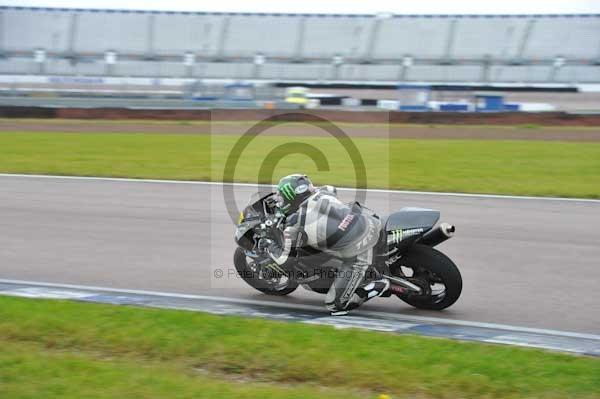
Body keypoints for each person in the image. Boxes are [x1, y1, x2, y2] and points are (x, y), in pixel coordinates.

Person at [259, 174, 390, 315]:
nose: (280, 200)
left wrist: (268, 245)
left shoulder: (293, 226)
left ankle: (378, 285)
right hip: (369, 221)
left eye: (282, 197)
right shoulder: (323, 192)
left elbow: (285, 261)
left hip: (361, 250)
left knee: (335, 305)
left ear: (291, 198)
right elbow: (331, 188)